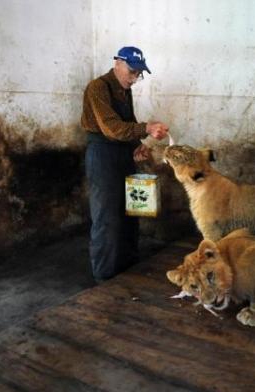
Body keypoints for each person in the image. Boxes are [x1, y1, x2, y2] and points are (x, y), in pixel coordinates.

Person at [81, 46, 169, 282]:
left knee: (130, 212)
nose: (134, 79)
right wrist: (147, 128)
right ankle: (105, 275)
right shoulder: (98, 88)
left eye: (138, 74)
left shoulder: (124, 90)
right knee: (107, 216)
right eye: (131, 72)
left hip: (122, 152)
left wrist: (137, 146)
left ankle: (129, 265)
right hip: (102, 154)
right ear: (117, 63)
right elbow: (112, 128)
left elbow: (127, 123)